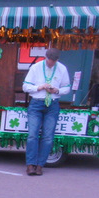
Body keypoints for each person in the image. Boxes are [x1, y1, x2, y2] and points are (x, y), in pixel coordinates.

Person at [22, 48, 70, 176]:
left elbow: (67, 87)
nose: (51, 64)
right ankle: (30, 165)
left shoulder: (62, 69)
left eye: (54, 62)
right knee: (32, 134)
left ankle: (40, 165)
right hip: (36, 102)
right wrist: (40, 87)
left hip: (53, 104)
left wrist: (57, 90)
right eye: (49, 61)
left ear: (57, 60)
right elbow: (25, 86)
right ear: (46, 57)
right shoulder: (36, 67)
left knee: (48, 137)